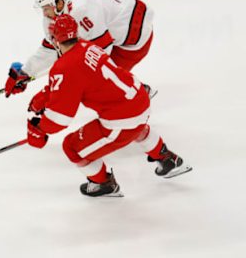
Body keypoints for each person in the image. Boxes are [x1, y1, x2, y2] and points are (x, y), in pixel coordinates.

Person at [26, 14, 191, 197]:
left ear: (56, 40)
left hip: (123, 117)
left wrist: (40, 129)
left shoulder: (64, 67)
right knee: (135, 126)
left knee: (72, 147)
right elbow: (74, 79)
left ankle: (104, 184)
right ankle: (168, 159)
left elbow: (60, 119)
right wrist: (45, 95)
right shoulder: (88, 46)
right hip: (139, 99)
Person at [5, 0, 157, 98]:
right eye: (43, 9)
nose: (45, 13)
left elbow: (101, 56)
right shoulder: (54, 17)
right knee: (91, 76)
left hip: (135, 32)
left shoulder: (85, 12)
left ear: (59, 3)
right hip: (113, 31)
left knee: (100, 80)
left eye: (47, 8)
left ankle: (139, 94)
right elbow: (51, 49)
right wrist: (26, 71)